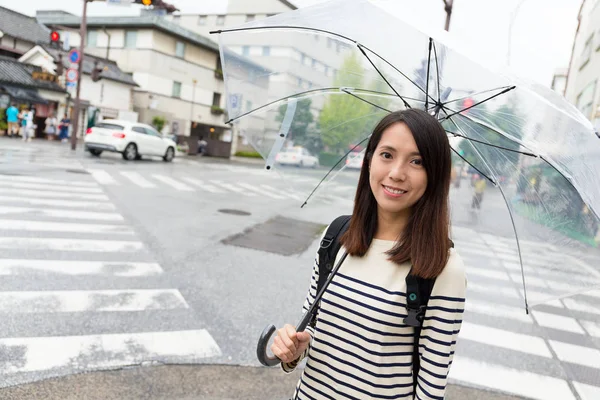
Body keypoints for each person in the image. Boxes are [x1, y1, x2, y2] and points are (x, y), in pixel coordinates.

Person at [271, 109, 466, 400]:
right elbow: (312, 327)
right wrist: (293, 352)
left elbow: (431, 387)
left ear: (434, 174)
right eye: (387, 155)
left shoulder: (443, 267)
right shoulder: (336, 236)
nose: (396, 173)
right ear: (369, 160)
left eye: (416, 161)